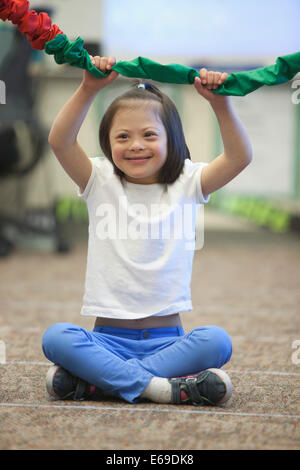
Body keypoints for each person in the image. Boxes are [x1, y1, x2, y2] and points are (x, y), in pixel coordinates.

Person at [42, 55, 252, 406]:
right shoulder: (99, 179)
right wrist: (88, 88)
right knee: (56, 338)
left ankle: (102, 381)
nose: (135, 144)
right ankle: (158, 387)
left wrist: (221, 105)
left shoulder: (188, 181)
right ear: (108, 144)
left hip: (169, 341)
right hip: (105, 339)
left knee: (216, 342)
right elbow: (60, 142)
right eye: (122, 136)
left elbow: (238, 157)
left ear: (172, 140)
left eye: (149, 135)